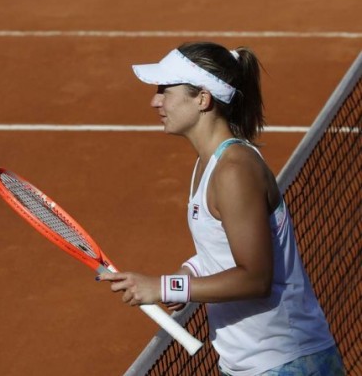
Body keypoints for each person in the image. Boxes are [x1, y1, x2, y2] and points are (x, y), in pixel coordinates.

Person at [99, 42, 345, 375]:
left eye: (165, 90)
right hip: (252, 364)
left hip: (285, 363)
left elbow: (255, 277)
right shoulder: (209, 165)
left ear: (203, 99)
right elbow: (221, 248)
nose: (155, 101)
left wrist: (165, 287)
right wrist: (186, 275)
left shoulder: (233, 170)